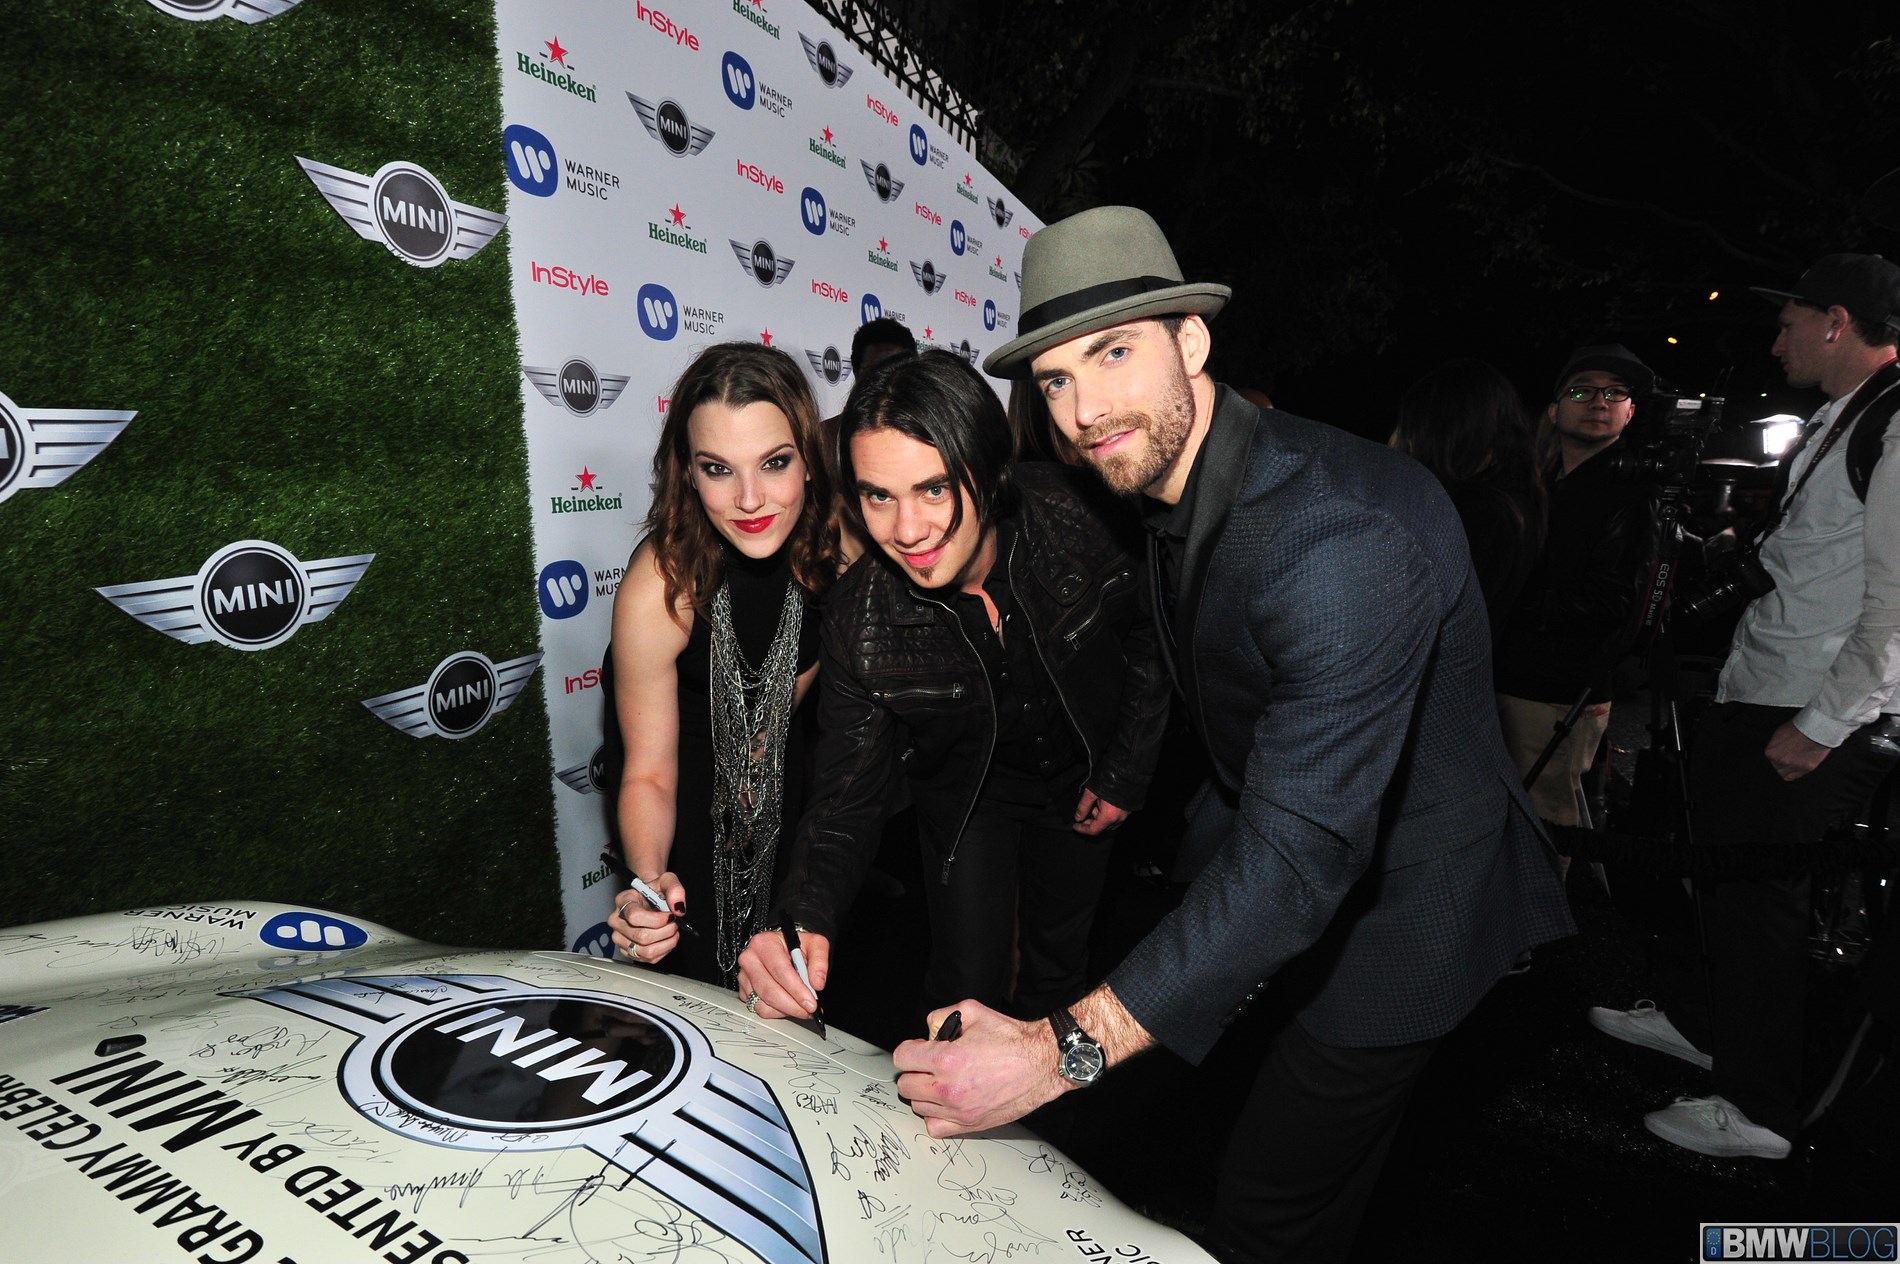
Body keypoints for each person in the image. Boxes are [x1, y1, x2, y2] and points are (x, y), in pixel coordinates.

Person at [888, 206, 1573, 1264]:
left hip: (1401, 915)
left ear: (1192, 341)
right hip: (1275, 862)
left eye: (1114, 353)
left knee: (1268, 1208)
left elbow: (1298, 862)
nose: (1084, 411)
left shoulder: (1337, 538)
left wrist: (1053, 1052)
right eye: (1056, 380)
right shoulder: (1182, 475)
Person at [736, 349, 1171, 1023]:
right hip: (970, 799)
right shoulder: (859, 619)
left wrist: (1124, 773)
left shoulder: (1080, 516)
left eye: (934, 489)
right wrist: (804, 915)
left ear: (991, 473)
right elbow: (845, 797)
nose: (907, 532)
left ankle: (1053, 1084)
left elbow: (1151, 639)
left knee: (1059, 965)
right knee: (964, 987)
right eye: (879, 496)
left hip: (1084, 775)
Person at [1592, 253, 1900, 1159]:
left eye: (1789, 322)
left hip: (1810, 706)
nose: (1776, 341)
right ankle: (1705, 1023)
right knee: (1723, 877)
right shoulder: (1850, 416)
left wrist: (1822, 727)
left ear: (1836, 322)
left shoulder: (1894, 422)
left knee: (1763, 898)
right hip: (1765, 685)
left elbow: (1896, 605)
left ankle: (1759, 1109)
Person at [603, 342, 838, 987]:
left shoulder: (834, 554)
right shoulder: (662, 582)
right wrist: (650, 884)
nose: (750, 498)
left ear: (809, 461)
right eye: (718, 469)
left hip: (782, 800)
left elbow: (788, 707)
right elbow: (648, 771)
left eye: (775, 462)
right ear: (687, 472)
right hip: (683, 810)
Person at [1493, 345, 1658, 842]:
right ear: (1553, 410)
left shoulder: (1629, 495)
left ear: (1631, 412)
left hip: (1561, 688)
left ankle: (1548, 894)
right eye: (1582, 392)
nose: (1600, 402)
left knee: (1546, 819)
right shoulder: (1540, 483)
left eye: (1615, 393)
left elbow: (1611, 604)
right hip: (1516, 675)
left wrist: (1507, 599)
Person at [1390, 357, 1545, 648]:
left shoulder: (1479, 512)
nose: (1401, 440)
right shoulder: (1516, 500)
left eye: (1412, 426)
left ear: (1443, 429)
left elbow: (1418, 621)